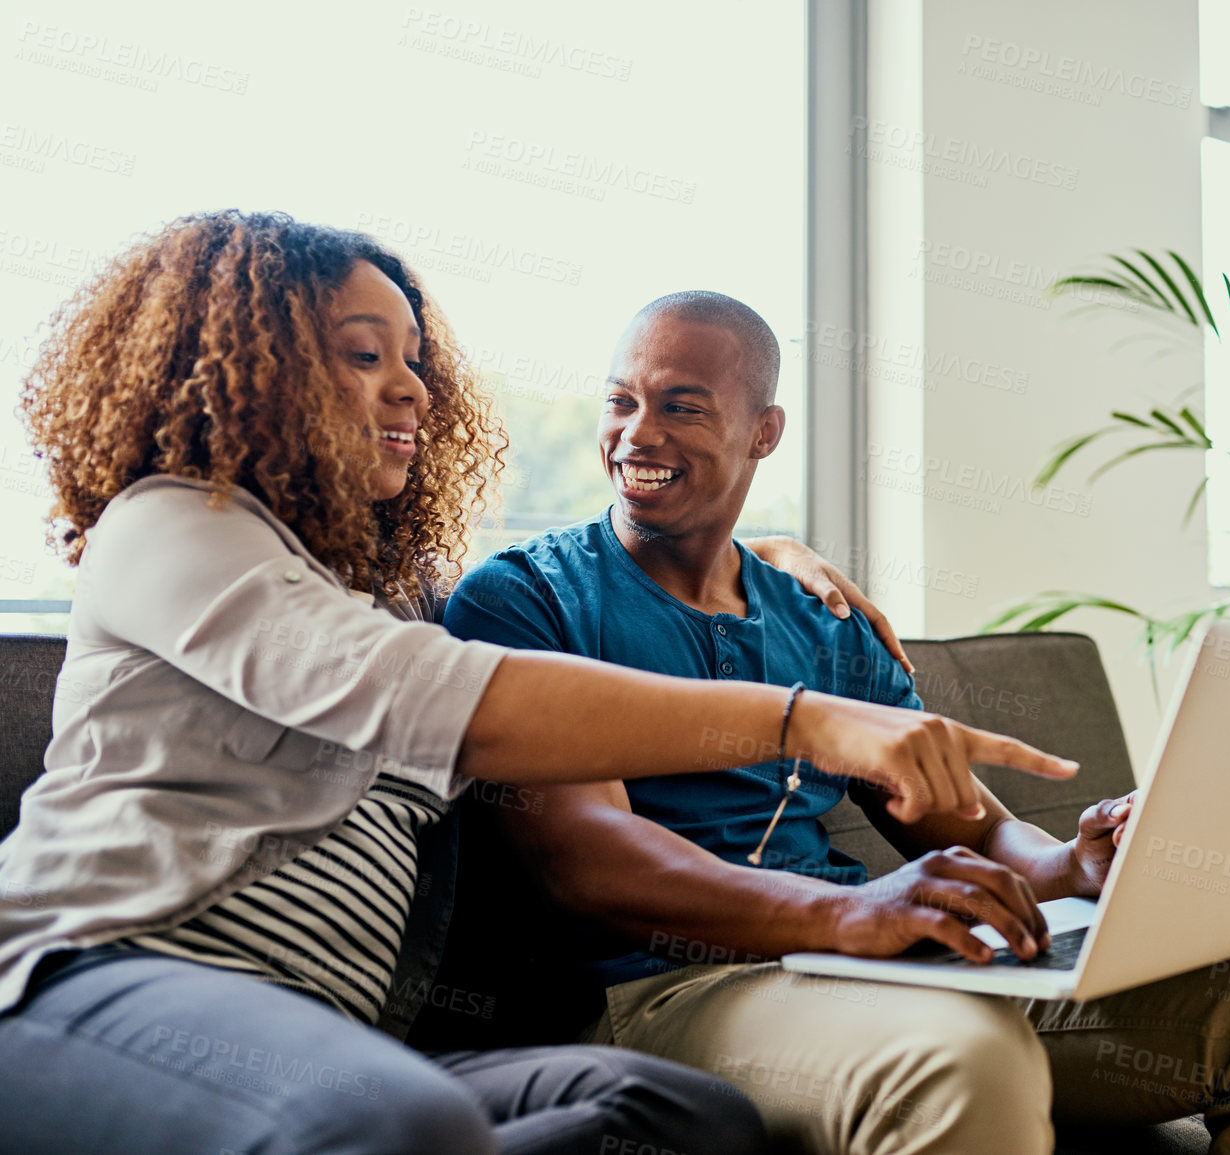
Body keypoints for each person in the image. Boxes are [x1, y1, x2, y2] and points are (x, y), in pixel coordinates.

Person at [0, 213, 1076, 1155]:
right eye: (363, 354)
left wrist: (772, 552)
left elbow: (587, 580)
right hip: (84, 980)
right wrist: (803, 718)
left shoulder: (382, 592)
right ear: (246, 367)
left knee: (685, 1121)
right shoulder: (168, 522)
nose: (412, 384)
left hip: (333, 1036)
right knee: (395, 1124)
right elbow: (439, 695)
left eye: (414, 357)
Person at [437, 290, 1230, 1155]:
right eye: (619, 401)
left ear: (763, 431)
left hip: (862, 965)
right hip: (664, 991)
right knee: (964, 1054)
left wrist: (1076, 865)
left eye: (681, 405)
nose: (635, 433)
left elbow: (968, 824)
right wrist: (856, 913)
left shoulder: (818, 617)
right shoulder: (525, 600)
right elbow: (586, 857)